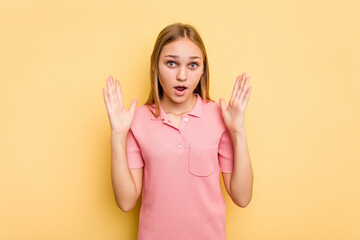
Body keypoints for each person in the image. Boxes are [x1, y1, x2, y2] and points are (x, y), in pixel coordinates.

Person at [102, 22, 253, 240]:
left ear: (203, 70)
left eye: (193, 65)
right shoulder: (136, 120)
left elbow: (242, 197)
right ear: (155, 66)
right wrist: (118, 135)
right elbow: (125, 202)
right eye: (171, 63)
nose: (182, 76)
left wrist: (238, 130)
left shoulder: (221, 117)